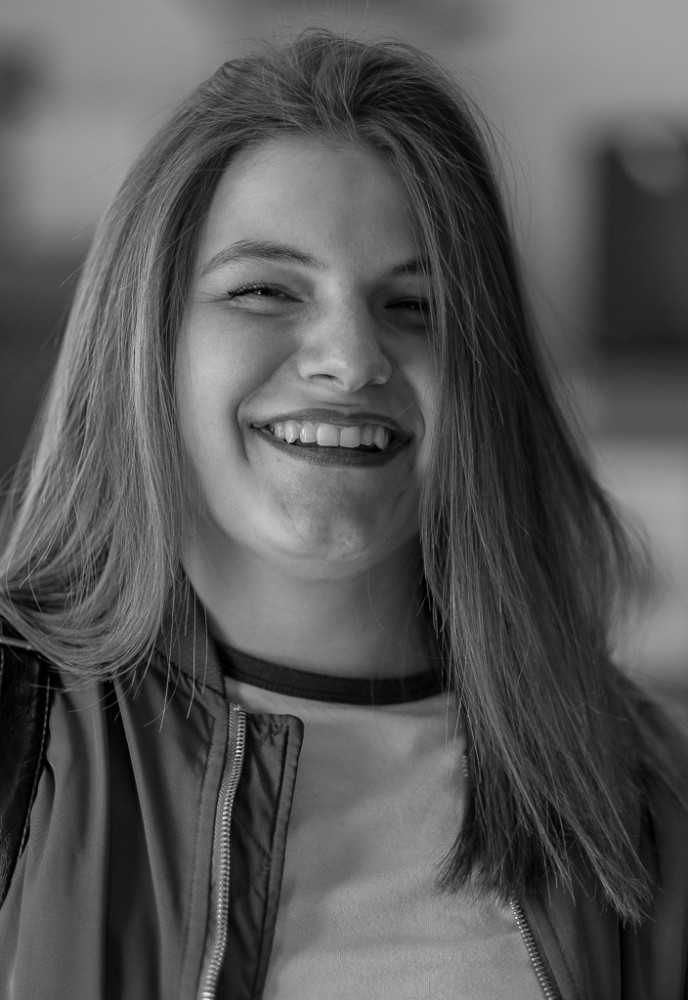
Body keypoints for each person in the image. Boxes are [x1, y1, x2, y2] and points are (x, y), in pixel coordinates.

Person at [0, 29, 686, 1000]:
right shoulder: (19, 728)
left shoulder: (651, 795)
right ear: (146, 340)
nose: (350, 360)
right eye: (265, 291)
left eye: (414, 306)